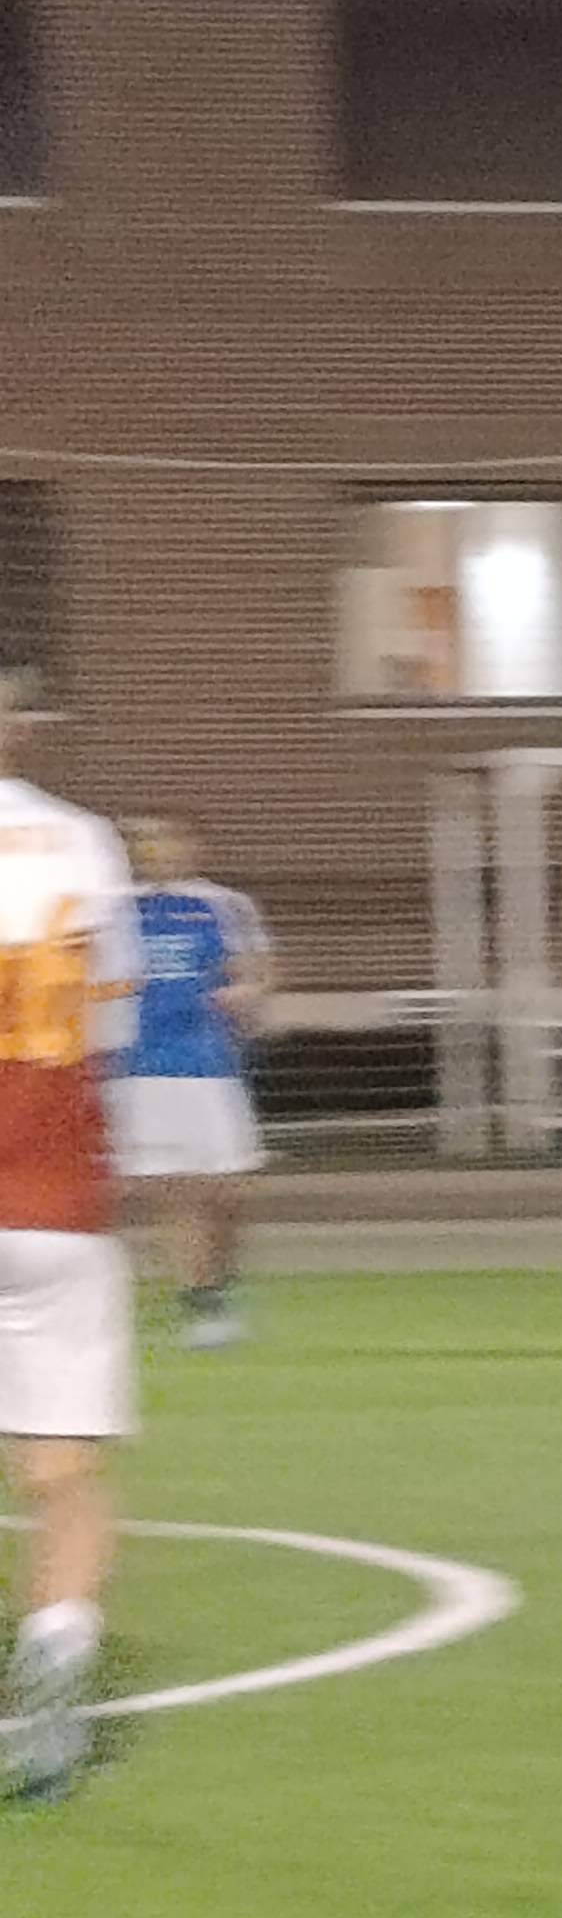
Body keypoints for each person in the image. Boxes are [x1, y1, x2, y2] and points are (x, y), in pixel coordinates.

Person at [0, 672, 143, 1800]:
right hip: (55, 1194)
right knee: (64, 1470)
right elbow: (117, 1020)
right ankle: (54, 1657)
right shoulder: (86, 842)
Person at [113, 815, 274, 1347]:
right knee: (171, 1188)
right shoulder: (116, 909)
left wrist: (246, 993)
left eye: (163, 839)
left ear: (190, 846)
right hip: (142, 1068)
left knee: (228, 1189)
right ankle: (199, 1299)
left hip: (209, 1064)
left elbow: (259, 971)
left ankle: (220, 1280)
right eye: (143, 842)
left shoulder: (222, 905)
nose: (152, 850)